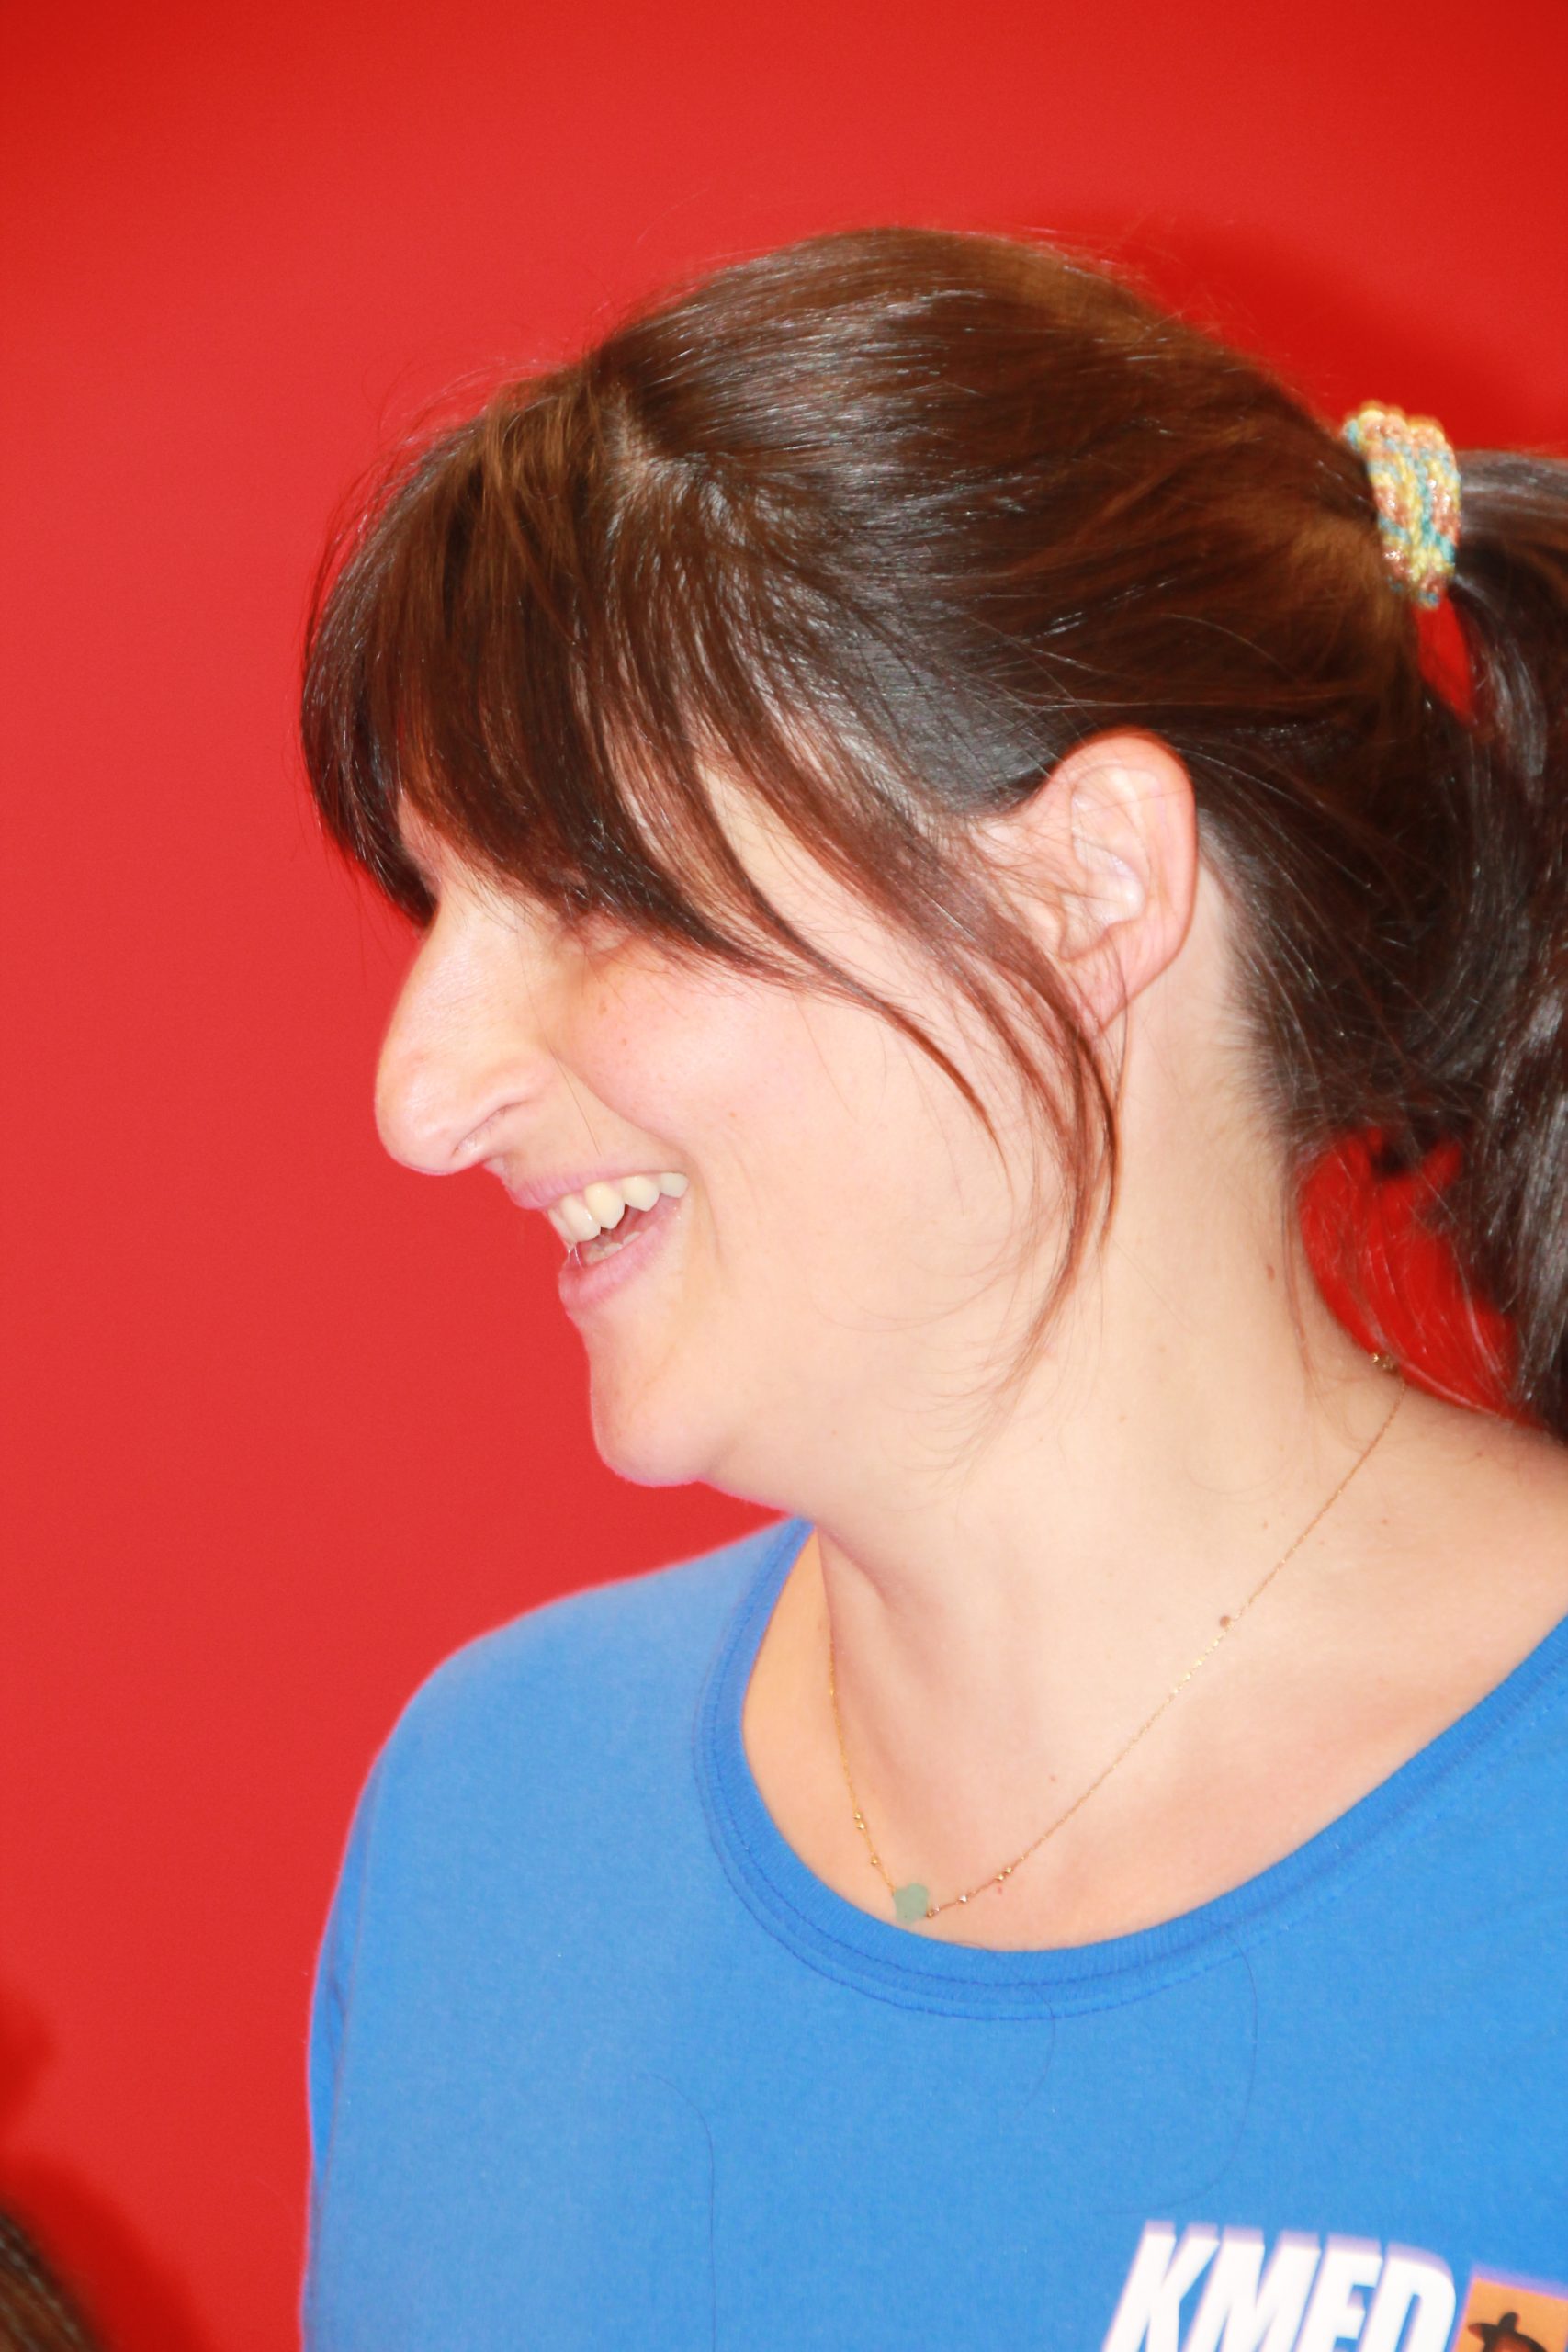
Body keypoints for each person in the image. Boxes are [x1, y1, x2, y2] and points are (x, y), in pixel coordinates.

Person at [298, 228, 1568, 2347]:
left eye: (591, 892)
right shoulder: (492, 1815)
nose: (419, 1094)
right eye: (438, 903)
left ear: (1086, 887)